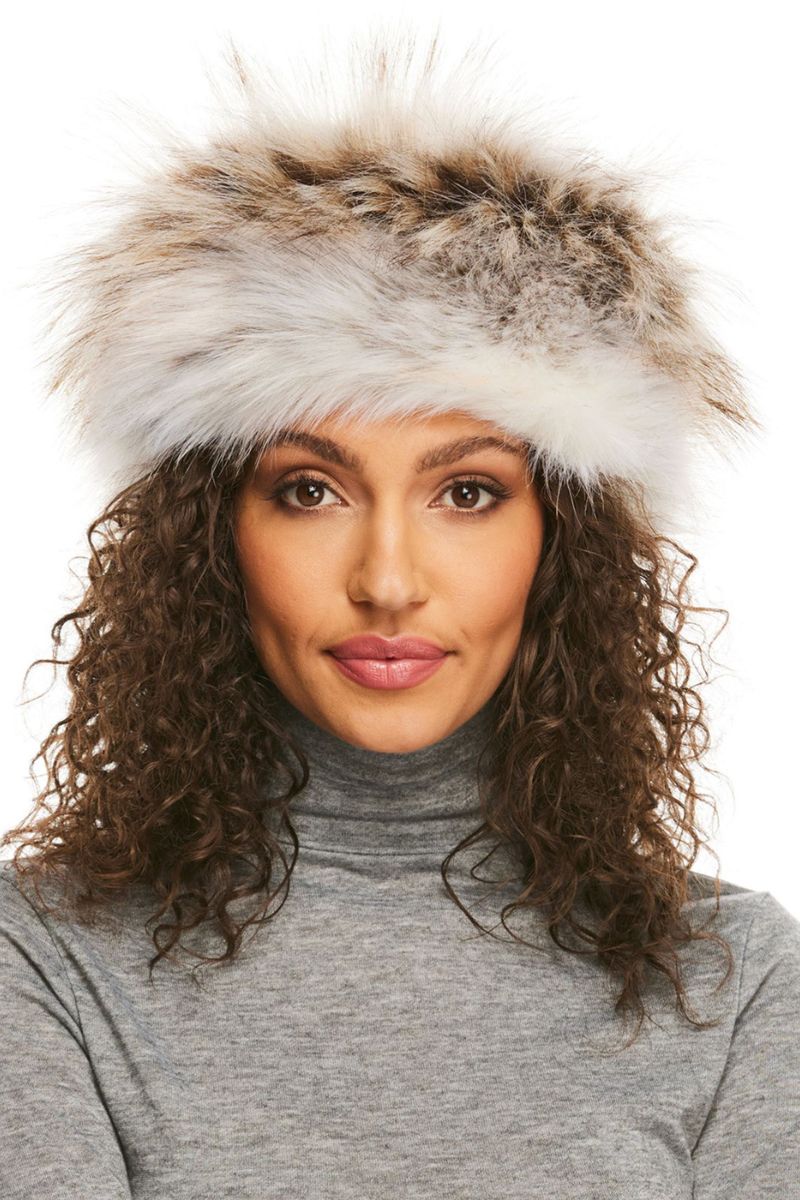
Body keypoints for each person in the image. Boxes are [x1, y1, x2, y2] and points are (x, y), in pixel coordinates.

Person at [1, 28, 798, 1200]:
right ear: (210, 536)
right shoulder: (43, 959)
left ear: (563, 542)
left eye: (466, 492)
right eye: (308, 490)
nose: (386, 579)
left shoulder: (735, 977)